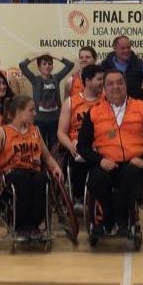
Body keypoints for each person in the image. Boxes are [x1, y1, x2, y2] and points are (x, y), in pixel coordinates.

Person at [77, 69, 143, 235]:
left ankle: (122, 219)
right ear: (104, 89)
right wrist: (100, 160)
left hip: (133, 162)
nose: (115, 87)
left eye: (119, 82)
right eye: (110, 84)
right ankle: (108, 217)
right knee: (96, 178)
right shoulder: (94, 112)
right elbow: (82, 146)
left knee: (129, 176)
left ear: (126, 85)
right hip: (105, 162)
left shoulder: (141, 108)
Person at [0, 96, 64, 237]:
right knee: (23, 179)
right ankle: (20, 225)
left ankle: (33, 225)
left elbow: (46, 156)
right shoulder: (2, 132)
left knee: (41, 180)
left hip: (33, 171)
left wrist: (56, 167)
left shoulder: (35, 130)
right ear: (19, 112)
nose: (35, 113)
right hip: (12, 173)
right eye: (31, 110)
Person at [56, 64, 105, 204]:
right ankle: (78, 196)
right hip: (77, 144)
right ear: (88, 81)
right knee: (81, 157)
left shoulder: (106, 100)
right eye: (99, 79)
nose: (103, 82)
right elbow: (61, 132)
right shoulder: (71, 102)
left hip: (101, 144)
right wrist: (70, 146)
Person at [19, 53, 75, 150]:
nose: (47, 66)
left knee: (54, 147)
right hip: (39, 120)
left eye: (50, 64)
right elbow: (22, 65)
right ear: (39, 67)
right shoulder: (35, 79)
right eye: (44, 64)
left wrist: (55, 56)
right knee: (40, 146)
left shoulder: (56, 78)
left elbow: (70, 64)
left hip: (55, 120)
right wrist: (37, 56)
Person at [99, 35, 143, 100]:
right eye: (122, 48)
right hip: (111, 106)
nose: (126, 50)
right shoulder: (105, 65)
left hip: (136, 105)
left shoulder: (139, 63)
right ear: (115, 48)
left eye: (128, 47)